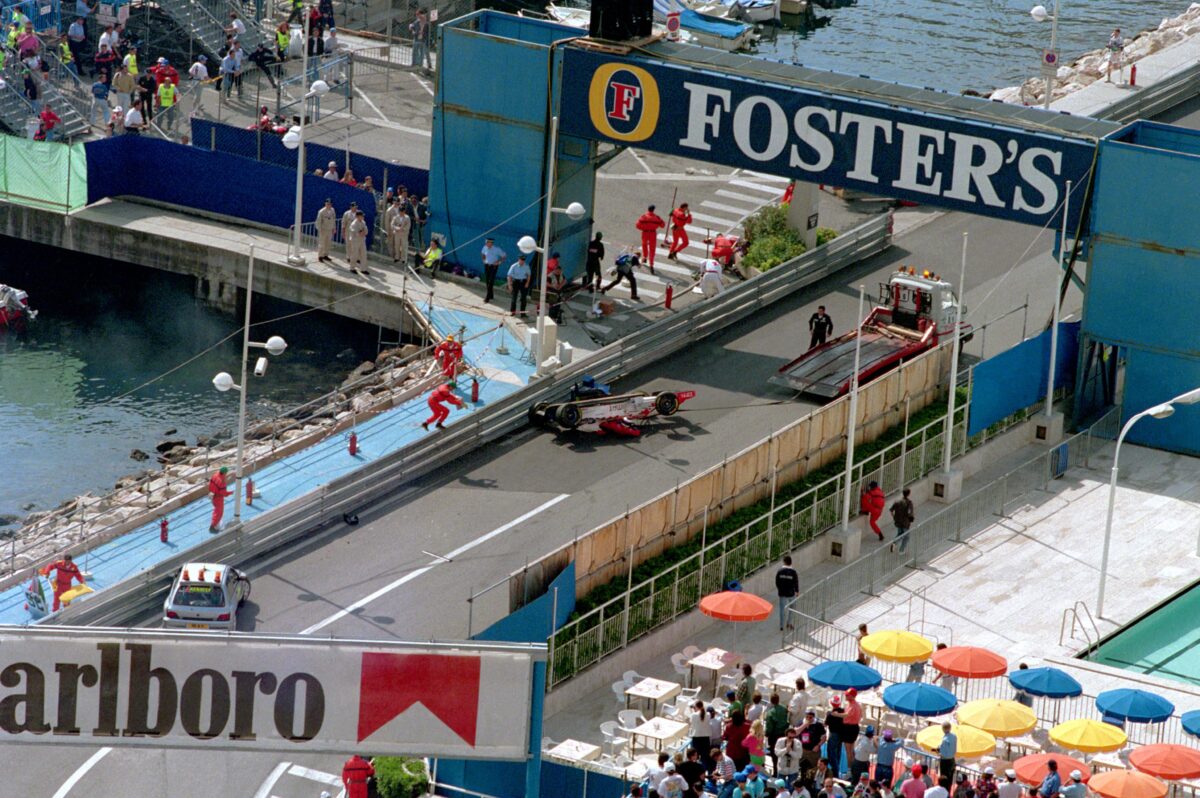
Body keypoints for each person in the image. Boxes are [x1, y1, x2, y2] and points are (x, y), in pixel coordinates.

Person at [838, 689, 863, 776]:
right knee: (851, 751)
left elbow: (846, 715)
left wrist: (834, 714)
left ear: (852, 696)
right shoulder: (853, 705)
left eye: (847, 695)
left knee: (849, 751)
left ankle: (849, 770)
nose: (846, 696)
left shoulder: (853, 706)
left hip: (850, 728)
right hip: (851, 727)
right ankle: (852, 768)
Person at [636, 205, 666, 272]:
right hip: (653, 233)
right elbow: (663, 225)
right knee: (652, 249)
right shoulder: (656, 218)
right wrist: (656, 225)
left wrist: (644, 228)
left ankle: (644, 257)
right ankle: (651, 264)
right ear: (653, 210)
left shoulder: (643, 217)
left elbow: (637, 225)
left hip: (645, 233)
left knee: (644, 245)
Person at [480, 237, 506, 303]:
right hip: (487, 266)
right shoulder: (484, 247)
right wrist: (483, 260)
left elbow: (504, 256)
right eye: (486, 242)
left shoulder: (497, 249)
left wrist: (498, 262)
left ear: (491, 243)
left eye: (488, 243)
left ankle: (487, 298)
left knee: (491, 281)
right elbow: (482, 254)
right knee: (487, 281)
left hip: (493, 266)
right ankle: (491, 295)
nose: (487, 244)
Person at [207, 466, 232, 532]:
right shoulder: (222, 482)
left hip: (212, 495)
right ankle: (213, 526)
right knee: (219, 512)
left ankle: (215, 523)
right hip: (218, 498)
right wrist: (230, 493)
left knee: (216, 510)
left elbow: (211, 484)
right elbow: (223, 493)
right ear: (225, 473)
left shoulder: (215, 475)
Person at [825, 695, 845, 777]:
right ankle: (836, 771)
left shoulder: (830, 714)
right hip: (841, 735)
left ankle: (835, 772)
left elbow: (826, 723)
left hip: (833, 734)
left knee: (831, 754)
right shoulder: (843, 712)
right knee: (837, 754)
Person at [890, 488, 915, 552]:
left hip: (898, 521)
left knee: (900, 533)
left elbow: (891, 510)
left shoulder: (897, 501)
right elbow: (910, 513)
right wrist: (911, 519)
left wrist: (894, 517)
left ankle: (894, 543)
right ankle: (901, 550)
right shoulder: (909, 503)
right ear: (909, 494)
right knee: (906, 537)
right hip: (905, 522)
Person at [347, 210, 370, 275]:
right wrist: (361, 233)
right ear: (357, 216)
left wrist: (362, 233)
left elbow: (366, 231)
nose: (363, 217)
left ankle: (363, 269)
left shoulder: (363, 222)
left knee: (363, 254)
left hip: (362, 240)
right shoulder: (354, 224)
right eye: (361, 216)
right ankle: (352, 268)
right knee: (355, 254)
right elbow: (355, 233)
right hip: (355, 241)